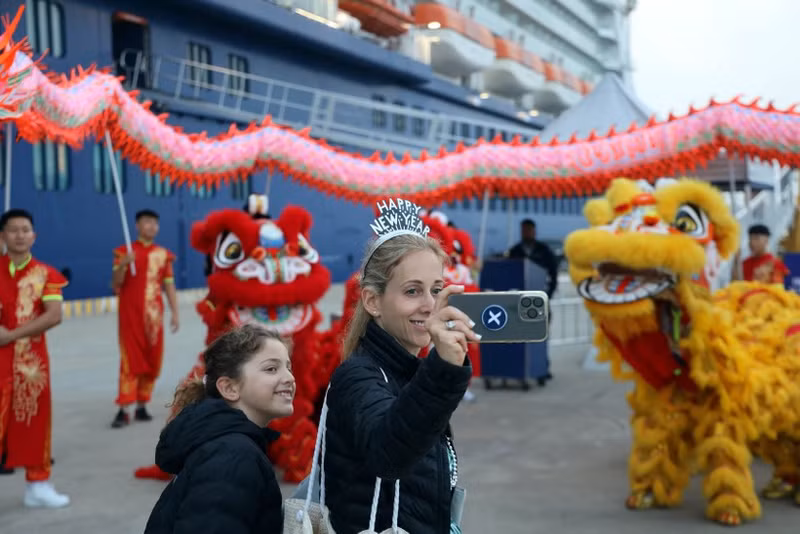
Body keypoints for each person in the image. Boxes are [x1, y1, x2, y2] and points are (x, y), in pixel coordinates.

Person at [324, 199, 479, 534]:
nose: (429, 305)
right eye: (412, 291)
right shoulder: (358, 375)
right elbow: (389, 454)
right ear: (372, 301)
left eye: (437, 290)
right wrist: (443, 368)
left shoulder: (407, 370)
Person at [144, 324, 293, 533]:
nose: (289, 377)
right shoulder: (233, 456)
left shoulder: (229, 444)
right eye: (271, 369)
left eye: (289, 367)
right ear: (229, 388)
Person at [0, 209, 69, 508]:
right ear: (2, 236)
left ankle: (38, 485)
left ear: (34, 235)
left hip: (32, 366)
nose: (19, 235)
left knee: (34, 423)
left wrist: (12, 335)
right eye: (12, 230)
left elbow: (54, 316)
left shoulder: (46, 274)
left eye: (25, 229)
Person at [111, 209, 179, 428]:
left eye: (154, 223)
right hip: (130, 317)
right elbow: (115, 285)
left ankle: (141, 404)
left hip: (155, 317)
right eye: (146, 222)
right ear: (137, 226)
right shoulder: (124, 252)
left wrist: (175, 312)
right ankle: (123, 408)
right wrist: (123, 264)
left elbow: (168, 285)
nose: (151, 226)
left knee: (152, 359)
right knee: (130, 359)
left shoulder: (163, 254)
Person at [507, 218, 558, 298]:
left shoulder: (544, 250)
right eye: (524, 230)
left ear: (534, 231)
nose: (526, 233)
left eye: (528, 230)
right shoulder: (515, 251)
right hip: (520, 295)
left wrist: (548, 294)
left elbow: (553, 273)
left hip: (540, 294)